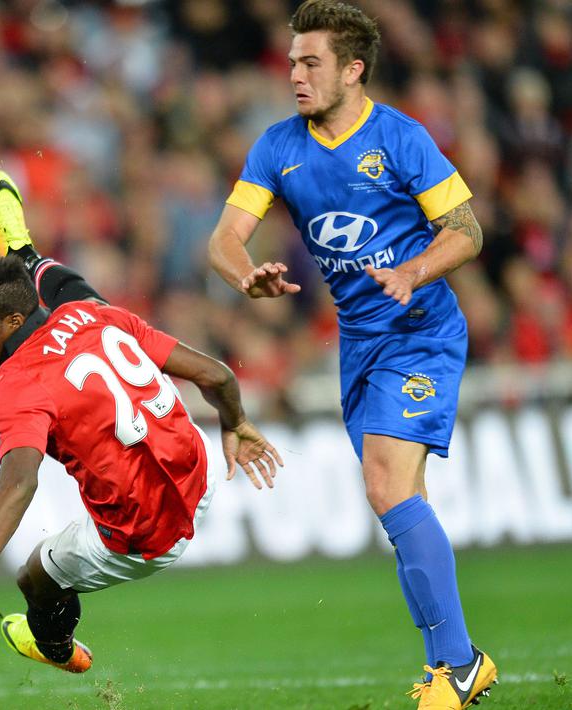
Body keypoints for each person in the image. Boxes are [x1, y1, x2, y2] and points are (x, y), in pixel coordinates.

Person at [205, 2, 496, 708]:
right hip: (358, 343)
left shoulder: (400, 139)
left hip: (420, 328)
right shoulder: (277, 147)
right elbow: (221, 239)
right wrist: (246, 273)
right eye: (291, 62)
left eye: (310, 63)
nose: (295, 76)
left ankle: (457, 665)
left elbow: (465, 230)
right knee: (399, 499)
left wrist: (412, 271)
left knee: (383, 486)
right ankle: (454, 668)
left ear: (353, 69)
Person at [0, 171, 284, 671]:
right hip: (198, 474)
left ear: (12, 322)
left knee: (34, 578)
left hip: (144, 533)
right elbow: (216, 375)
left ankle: (58, 650)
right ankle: (26, 256)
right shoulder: (97, 315)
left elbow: (18, 481)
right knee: (89, 302)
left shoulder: (17, 383)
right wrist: (235, 424)